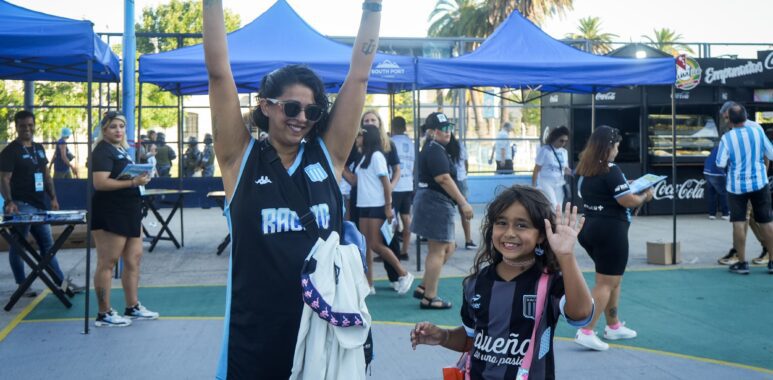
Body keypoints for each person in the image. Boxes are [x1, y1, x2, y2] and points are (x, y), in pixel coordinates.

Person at [203, 0, 381, 377]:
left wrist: (373, 7)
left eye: (312, 112)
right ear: (265, 106)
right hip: (254, 336)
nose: (301, 118)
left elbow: (359, 77)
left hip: (323, 328)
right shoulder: (239, 159)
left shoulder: (327, 156)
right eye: (291, 108)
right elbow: (219, 74)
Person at [410, 186, 593, 379]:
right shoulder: (476, 283)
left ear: (540, 234)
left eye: (521, 225)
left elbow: (581, 314)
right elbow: (472, 338)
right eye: (502, 223)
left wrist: (566, 256)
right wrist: (444, 336)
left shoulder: (551, 282)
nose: (509, 233)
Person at [573, 125, 654, 351]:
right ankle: (586, 330)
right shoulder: (611, 169)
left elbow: (607, 193)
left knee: (613, 278)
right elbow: (626, 201)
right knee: (606, 282)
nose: (618, 150)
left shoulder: (587, 168)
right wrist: (645, 196)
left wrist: (626, 188)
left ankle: (613, 326)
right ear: (609, 147)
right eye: (617, 145)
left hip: (590, 228)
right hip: (610, 231)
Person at [90, 111, 158, 327]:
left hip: (130, 210)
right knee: (107, 262)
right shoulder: (101, 151)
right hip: (110, 212)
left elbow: (126, 176)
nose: (118, 130)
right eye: (113, 127)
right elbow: (100, 183)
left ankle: (133, 306)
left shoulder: (121, 150)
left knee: (133, 259)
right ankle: (104, 312)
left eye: (121, 126)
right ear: (104, 129)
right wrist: (132, 183)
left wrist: (141, 177)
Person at [1, 111, 78, 297]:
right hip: (21, 205)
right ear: (16, 127)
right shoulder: (11, 151)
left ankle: (60, 284)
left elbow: (46, 175)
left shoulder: (39, 148)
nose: (27, 129)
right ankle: (22, 284)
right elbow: (4, 178)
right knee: (18, 246)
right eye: (22, 126)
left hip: (40, 205)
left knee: (48, 246)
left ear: (34, 125)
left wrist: (53, 197)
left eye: (30, 125)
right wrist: (10, 202)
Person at [411, 112, 473, 309]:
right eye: (442, 129)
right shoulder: (434, 149)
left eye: (449, 128)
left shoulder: (434, 148)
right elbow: (443, 179)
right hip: (435, 202)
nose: (448, 132)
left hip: (432, 201)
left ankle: (424, 287)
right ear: (431, 132)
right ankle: (430, 296)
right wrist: (463, 202)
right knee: (439, 251)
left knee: (445, 248)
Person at [355, 124, 414, 295]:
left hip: (377, 205)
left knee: (375, 244)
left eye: (360, 135)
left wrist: (388, 207)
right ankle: (368, 284)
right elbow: (355, 181)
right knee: (365, 245)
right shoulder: (365, 156)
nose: (357, 138)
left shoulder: (377, 156)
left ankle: (403, 273)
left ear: (367, 137)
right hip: (364, 205)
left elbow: (386, 183)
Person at [716, 103, 773, 275]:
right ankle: (772, 261)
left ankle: (742, 263)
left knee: (739, 223)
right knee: (766, 222)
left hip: (736, 186)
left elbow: (720, 163)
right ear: (746, 117)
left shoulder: (727, 138)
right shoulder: (758, 132)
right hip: (759, 183)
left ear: (730, 120)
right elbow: (771, 154)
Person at [390, 116, 415, 258]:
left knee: (392, 221)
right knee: (406, 219)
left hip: (395, 186)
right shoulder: (410, 143)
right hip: (408, 185)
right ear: (405, 127)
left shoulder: (391, 142)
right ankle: (404, 251)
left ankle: (392, 251)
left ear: (393, 127)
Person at [447, 132, 476, 250]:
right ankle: (468, 240)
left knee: (449, 212)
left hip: (450, 181)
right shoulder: (460, 146)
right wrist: (465, 174)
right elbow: (466, 163)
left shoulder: (444, 147)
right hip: (461, 179)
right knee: (464, 212)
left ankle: (451, 240)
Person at [532, 126, 571, 209]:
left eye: (565, 141)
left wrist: (574, 172)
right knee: (553, 204)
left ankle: (555, 221)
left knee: (559, 206)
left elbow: (565, 168)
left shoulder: (564, 152)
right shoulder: (545, 150)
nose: (563, 143)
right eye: (561, 140)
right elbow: (536, 169)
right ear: (555, 138)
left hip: (559, 182)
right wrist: (534, 186)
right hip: (546, 182)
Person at [703, 144, 729, 220]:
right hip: (717, 172)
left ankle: (712, 214)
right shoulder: (728, 148)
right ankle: (725, 213)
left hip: (707, 171)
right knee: (723, 193)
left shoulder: (717, 147)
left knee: (712, 194)